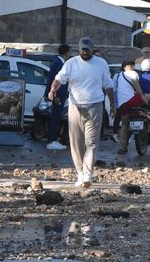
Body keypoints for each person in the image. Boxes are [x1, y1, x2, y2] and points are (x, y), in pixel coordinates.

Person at [49, 37, 115, 188]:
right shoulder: (71, 63)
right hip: (75, 106)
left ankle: (88, 174)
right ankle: (80, 172)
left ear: (92, 49)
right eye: (83, 50)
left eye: (88, 50)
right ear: (78, 49)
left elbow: (108, 85)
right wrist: (53, 90)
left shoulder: (101, 63)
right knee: (76, 143)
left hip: (95, 106)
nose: (85, 52)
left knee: (91, 142)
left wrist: (112, 104)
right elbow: (59, 79)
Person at [114, 60, 147, 154]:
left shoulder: (117, 76)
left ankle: (122, 147)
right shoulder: (133, 73)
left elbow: (114, 89)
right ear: (132, 66)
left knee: (124, 124)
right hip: (133, 101)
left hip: (122, 104)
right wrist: (143, 97)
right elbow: (137, 86)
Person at [45, 44, 71, 150]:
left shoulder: (61, 63)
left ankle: (54, 139)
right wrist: (55, 95)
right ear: (66, 52)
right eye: (69, 52)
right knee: (55, 117)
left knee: (56, 117)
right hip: (58, 96)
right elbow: (54, 80)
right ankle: (52, 140)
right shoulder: (58, 64)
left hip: (61, 95)